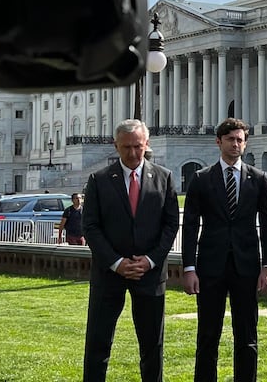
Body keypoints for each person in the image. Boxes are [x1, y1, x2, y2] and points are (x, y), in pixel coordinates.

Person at [82, 119, 179, 382]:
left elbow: (171, 225)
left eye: (138, 146)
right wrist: (116, 262)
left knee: (152, 345)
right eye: (126, 147)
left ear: (147, 144)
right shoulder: (99, 180)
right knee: (98, 343)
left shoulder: (164, 177)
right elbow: (90, 227)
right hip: (109, 274)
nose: (133, 153)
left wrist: (150, 260)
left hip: (150, 274)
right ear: (116, 146)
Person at [182, 117, 267, 382]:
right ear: (218, 142)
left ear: (245, 144)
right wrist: (189, 268)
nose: (235, 144)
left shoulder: (259, 179)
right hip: (210, 267)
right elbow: (190, 226)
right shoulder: (201, 179)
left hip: (246, 267)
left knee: (247, 336)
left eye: (240, 140)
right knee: (207, 335)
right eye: (230, 139)